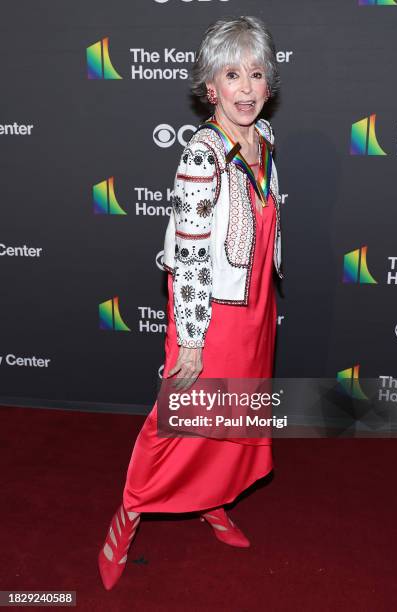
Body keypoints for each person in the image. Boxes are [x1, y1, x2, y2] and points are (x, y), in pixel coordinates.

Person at [97, 15, 283, 591]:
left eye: (256, 74)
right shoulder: (202, 155)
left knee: (232, 416)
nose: (247, 88)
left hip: (253, 309)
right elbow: (193, 254)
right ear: (212, 88)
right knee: (175, 422)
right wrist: (194, 336)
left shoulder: (264, 141)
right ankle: (127, 514)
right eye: (233, 75)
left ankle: (212, 499)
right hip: (211, 315)